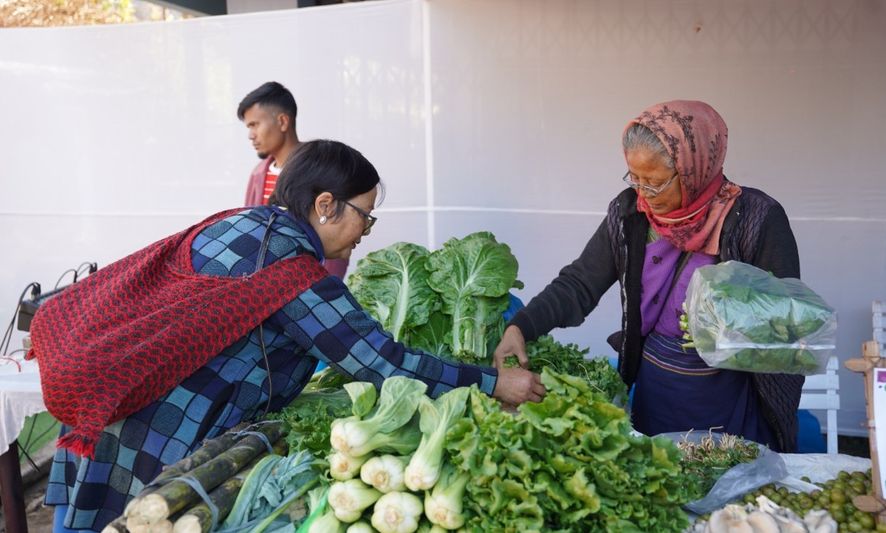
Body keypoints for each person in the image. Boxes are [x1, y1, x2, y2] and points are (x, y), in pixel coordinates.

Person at [34, 139, 544, 532]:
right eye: (365, 216)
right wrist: (492, 382)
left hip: (105, 413)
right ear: (325, 205)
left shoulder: (237, 223)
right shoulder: (288, 271)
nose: (366, 232)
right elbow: (381, 362)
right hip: (153, 436)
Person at [494, 100, 803, 453]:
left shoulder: (756, 220)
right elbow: (580, 282)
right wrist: (520, 327)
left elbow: (789, 322)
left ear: (693, 170)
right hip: (657, 393)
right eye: (635, 178)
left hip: (732, 399)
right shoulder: (630, 213)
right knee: (659, 471)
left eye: (655, 183)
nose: (643, 194)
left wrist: (725, 322)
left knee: (728, 479)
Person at [238, 81, 348, 278]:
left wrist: (327, 286)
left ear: (282, 122)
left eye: (255, 124)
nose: (250, 135)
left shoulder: (321, 168)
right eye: (248, 127)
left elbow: (338, 232)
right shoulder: (258, 175)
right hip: (267, 284)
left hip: (312, 284)